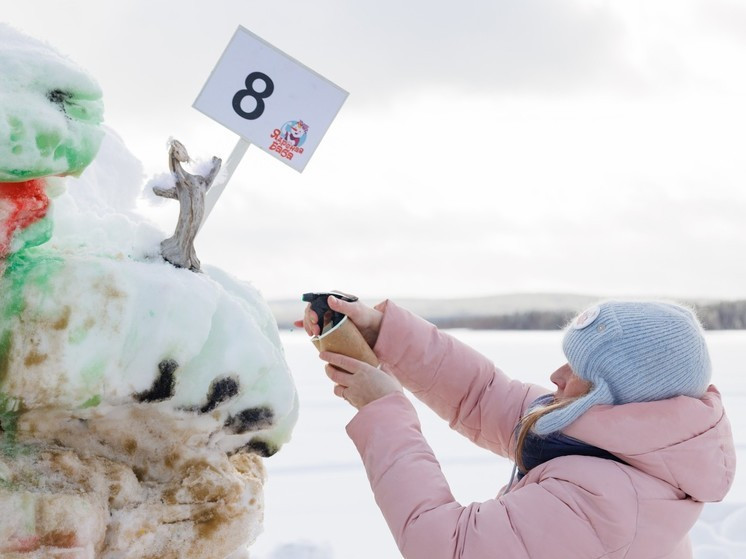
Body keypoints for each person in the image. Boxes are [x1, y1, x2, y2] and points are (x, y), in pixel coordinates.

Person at [296, 296, 736, 559]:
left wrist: (384, 409)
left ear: (617, 395)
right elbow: (484, 394)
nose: (557, 376)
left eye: (579, 369)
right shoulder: (616, 439)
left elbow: (447, 546)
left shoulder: (605, 501)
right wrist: (384, 335)